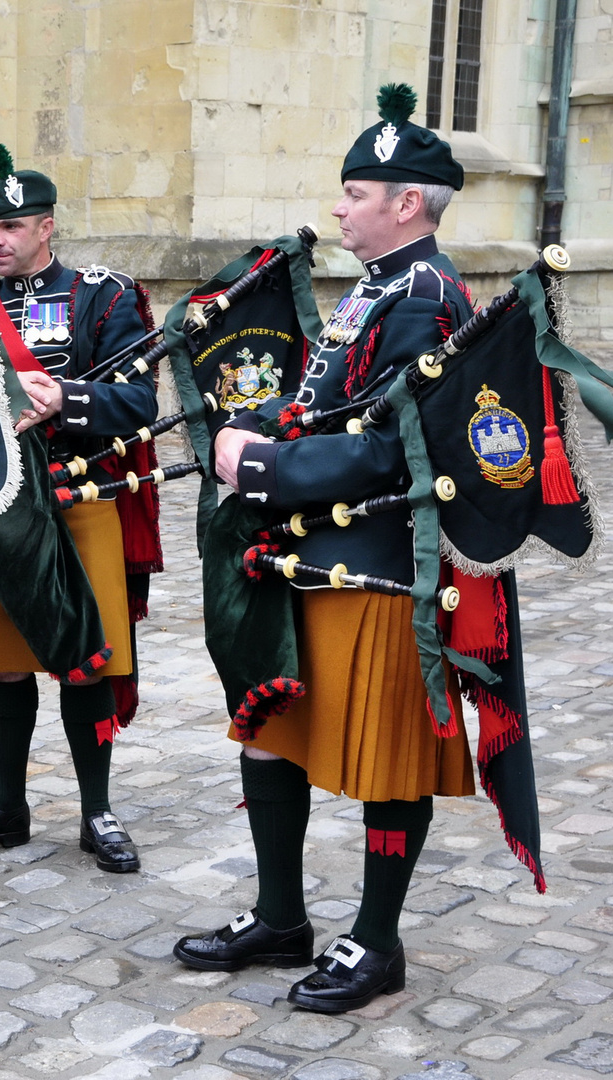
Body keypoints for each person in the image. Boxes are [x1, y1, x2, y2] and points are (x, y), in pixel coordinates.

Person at [174, 84, 477, 1013]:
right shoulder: (375, 290)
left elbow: (392, 449)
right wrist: (245, 428)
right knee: (272, 733)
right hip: (304, 558)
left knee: (388, 755)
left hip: (376, 563)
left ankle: (377, 942)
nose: (339, 208)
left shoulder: (429, 297)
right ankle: (279, 917)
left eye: (354, 193)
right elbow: (319, 396)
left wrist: (259, 471)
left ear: (407, 203)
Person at [0, 147, 158, 874]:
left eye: (10, 227)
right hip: (2, 502)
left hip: (82, 497)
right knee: (4, 666)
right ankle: (7, 805)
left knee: (84, 664)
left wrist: (68, 397)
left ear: (46, 227)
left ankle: (96, 809)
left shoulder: (103, 297)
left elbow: (138, 400)